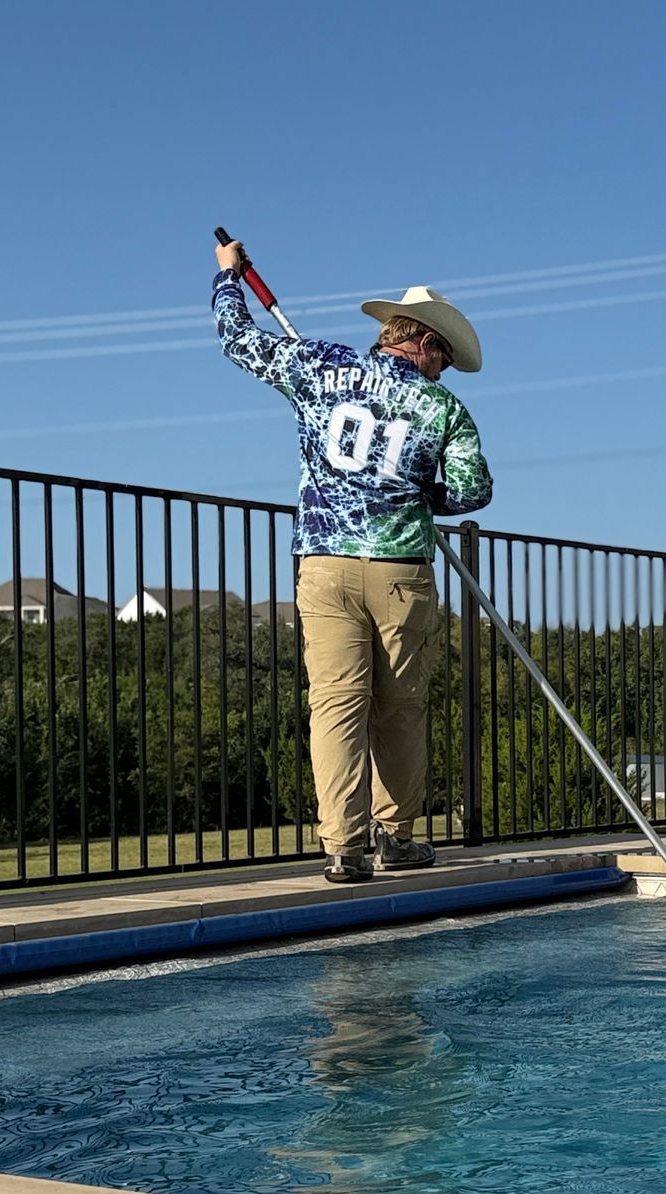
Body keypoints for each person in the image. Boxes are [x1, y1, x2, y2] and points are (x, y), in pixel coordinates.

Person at [213, 237, 493, 882]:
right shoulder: (444, 409)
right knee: (401, 705)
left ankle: (344, 846)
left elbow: (238, 339)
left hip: (326, 562)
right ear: (422, 340)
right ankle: (395, 835)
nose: (442, 370)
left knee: (336, 703)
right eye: (443, 358)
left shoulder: (321, 366)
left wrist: (228, 278)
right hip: (400, 569)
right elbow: (473, 491)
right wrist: (421, 490)